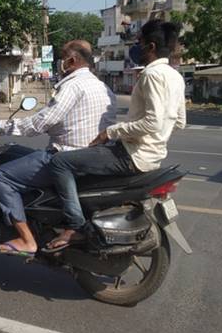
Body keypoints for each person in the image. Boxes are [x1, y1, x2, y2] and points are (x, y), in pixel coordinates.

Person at [45, 20, 186, 251]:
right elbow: (179, 121)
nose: (136, 47)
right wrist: (155, 137)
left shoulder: (151, 75)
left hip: (131, 155)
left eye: (138, 42)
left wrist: (111, 131)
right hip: (154, 155)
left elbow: (152, 121)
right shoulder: (175, 76)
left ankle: (75, 226)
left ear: (150, 46)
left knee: (60, 162)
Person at [0, 40, 116, 256]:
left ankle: (26, 239)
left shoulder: (72, 86)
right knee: (14, 151)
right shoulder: (102, 87)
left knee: (0, 176)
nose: (61, 61)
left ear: (72, 60)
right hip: (90, 158)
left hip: (65, 157)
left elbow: (40, 123)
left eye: (63, 56)